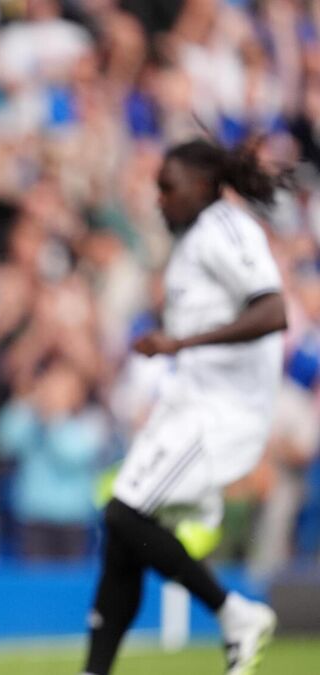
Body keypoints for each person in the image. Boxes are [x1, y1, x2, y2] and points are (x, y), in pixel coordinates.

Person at [82, 139, 287, 675]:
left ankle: (234, 612)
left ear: (201, 186)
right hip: (189, 402)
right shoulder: (193, 239)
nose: (160, 199)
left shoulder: (226, 229)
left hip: (223, 411)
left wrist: (179, 344)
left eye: (168, 188)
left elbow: (273, 311)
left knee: (124, 513)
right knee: (121, 533)